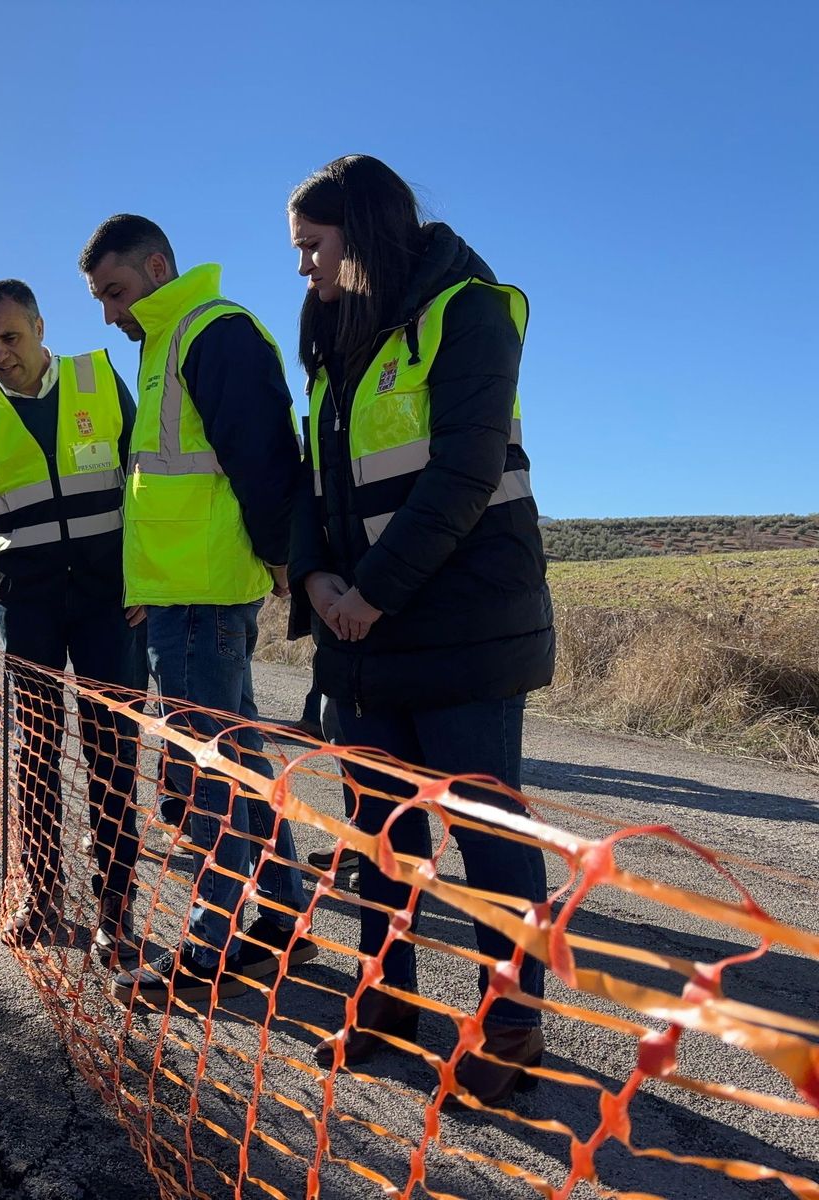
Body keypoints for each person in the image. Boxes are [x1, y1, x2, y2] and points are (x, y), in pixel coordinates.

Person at [285, 155, 554, 1106]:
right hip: (363, 629)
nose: (304, 270)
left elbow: (464, 474)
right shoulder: (333, 339)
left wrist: (373, 594)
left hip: (464, 623)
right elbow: (316, 480)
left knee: (488, 828)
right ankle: (385, 997)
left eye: (312, 247)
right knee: (377, 829)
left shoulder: (469, 311)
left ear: (360, 232)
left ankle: (512, 1021)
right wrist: (315, 574)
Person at [78, 215, 313, 1006]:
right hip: (181, 591)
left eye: (115, 292)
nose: (110, 313)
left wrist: (283, 556)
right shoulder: (164, 345)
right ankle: (280, 912)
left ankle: (213, 941)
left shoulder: (213, 332)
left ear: (155, 266)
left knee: (206, 765)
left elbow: (264, 456)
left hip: (204, 592)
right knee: (237, 755)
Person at [0, 279, 146, 965]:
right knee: (38, 754)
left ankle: (116, 914)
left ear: (41, 328)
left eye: (9, 338)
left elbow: (146, 475)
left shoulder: (99, 379)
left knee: (113, 755)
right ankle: (41, 895)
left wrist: (151, 574)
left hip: (113, 600)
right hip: (32, 606)